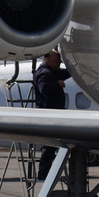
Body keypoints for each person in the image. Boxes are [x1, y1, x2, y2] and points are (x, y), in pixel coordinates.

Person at [33, 49, 71, 180]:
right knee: (49, 146)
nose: (60, 62)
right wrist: (57, 84)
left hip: (52, 114)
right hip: (48, 115)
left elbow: (64, 73)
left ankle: (46, 174)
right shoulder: (44, 73)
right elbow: (44, 88)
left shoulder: (51, 72)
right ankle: (43, 175)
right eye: (59, 59)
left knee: (51, 146)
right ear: (51, 59)